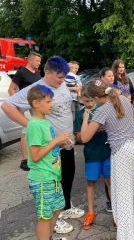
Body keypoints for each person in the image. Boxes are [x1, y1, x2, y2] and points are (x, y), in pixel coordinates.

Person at [1, 56, 84, 234]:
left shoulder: (61, 83)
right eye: (59, 77)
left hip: (66, 141)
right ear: (47, 73)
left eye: (64, 77)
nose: (62, 81)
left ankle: (66, 206)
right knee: (54, 182)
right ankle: (56, 217)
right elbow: (7, 106)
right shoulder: (36, 90)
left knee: (68, 175)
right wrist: (30, 125)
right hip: (51, 147)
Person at [80, 79, 134, 240]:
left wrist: (86, 118)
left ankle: (127, 236)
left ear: (94, 97)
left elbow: (85, 138)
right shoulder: (122, 99)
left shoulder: (102, 111)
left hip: (122, 150)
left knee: (123, 195)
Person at [25, 84, 73, 240]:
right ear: (35, 103)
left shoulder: (45, 121)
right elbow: (35, 156)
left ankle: (49, 237)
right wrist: (56, 140)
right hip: (42, 178)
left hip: (53, 176)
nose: (52, 105)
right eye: (48, 102)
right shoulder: (34, 125)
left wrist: (61, 144)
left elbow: (47, 146)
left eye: (51, 101)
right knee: (45, 216)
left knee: (58, 207)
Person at [74, 89, 111, 230]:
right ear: (81, 99)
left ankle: (117, 213)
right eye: (86, 101)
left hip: (107, 152)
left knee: (110, 181)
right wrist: (85, 120)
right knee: (91, 182)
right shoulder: (80, 114)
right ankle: (90, 212)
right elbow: (79, 138)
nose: (89, 104)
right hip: (91, 154)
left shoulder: (103, 109)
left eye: (91, 101)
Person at [8, 51, 42, 171]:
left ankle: (37, 155)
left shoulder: (37, 74)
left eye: (40, 61)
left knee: (37, 128)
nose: (39, 63)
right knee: (26, 130)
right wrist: (17, 106)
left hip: (36, 105)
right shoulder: (22, 72)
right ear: (30, 60)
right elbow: (11, 89)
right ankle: (25, 160)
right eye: (37, 61)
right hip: (25, 105)